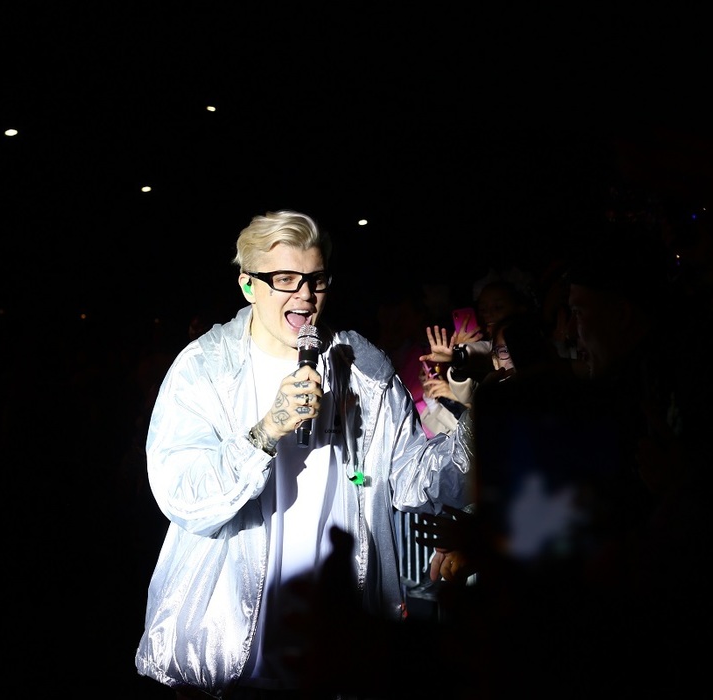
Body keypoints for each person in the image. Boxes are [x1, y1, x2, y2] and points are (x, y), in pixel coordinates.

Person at [133, 210, 474, 700]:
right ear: (248, 285)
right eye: (285, 279)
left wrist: (480, 417)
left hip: (332, 646)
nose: (305, 296)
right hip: (228, 652)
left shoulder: (362, 367)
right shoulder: (204, 367)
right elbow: (181, 494)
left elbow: (415, 479)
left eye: (316, 279)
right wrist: (265, 432)